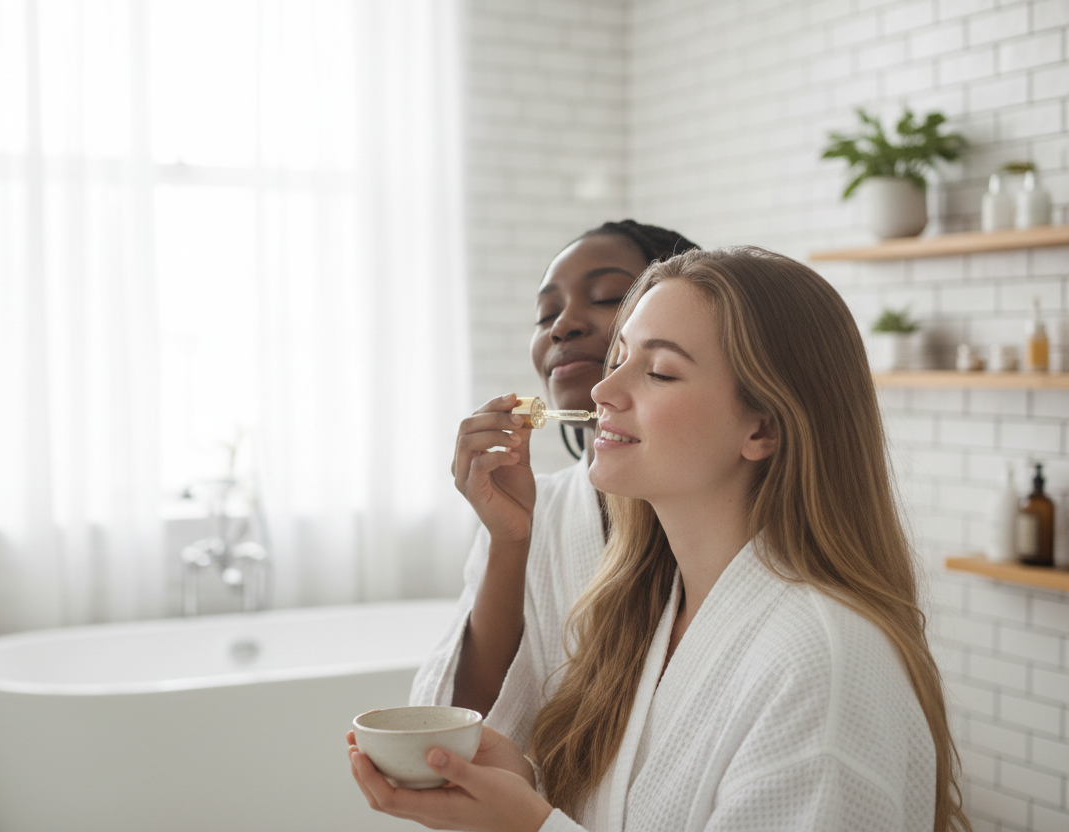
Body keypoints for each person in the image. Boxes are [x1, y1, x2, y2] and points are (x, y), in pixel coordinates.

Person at [349, 247, 969, 832]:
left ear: (764, 428)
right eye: (618, 359)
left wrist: (530, 826)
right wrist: (526, 788)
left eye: (661, 371)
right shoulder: (651, 617)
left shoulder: (823, 662)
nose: (602, 391)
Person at [412, 221, 697, 748]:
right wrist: (509, 541)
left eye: (610, 296)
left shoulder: (717, 513)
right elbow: (464, 726)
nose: (562, 325)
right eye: (546, 314)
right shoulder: (535, 509)